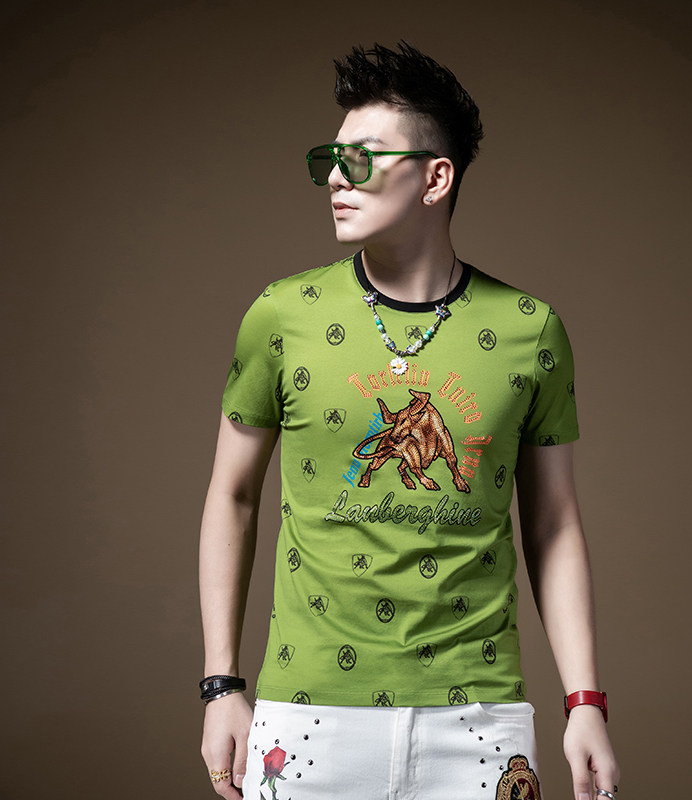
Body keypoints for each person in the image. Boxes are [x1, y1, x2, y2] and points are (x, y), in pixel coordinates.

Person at [199, 42, 619, 800]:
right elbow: (232, 495)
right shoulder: (282, 315)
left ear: (435, 177)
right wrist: (220, 684)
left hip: (481, 717)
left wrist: (584, 701)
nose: (336, 177)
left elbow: (553, 524)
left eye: (361, 159)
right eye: (330, 159)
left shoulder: (530, 329)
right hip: (308, 715)